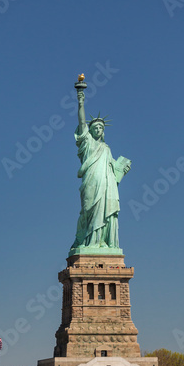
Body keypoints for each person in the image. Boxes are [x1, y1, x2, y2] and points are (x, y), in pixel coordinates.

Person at [70, 80, 131, 251]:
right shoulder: (87, 143)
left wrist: (122, 170)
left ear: (103, 131)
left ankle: (102, 242)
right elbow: (82, 123)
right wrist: (80, 102)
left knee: (105, 212)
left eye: (100, 127)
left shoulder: (106, 149)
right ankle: (89, 241)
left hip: (106, 186)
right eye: (95, 127)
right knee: (88, 210)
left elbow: (113, 173)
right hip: (90, 183)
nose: (98, 129)